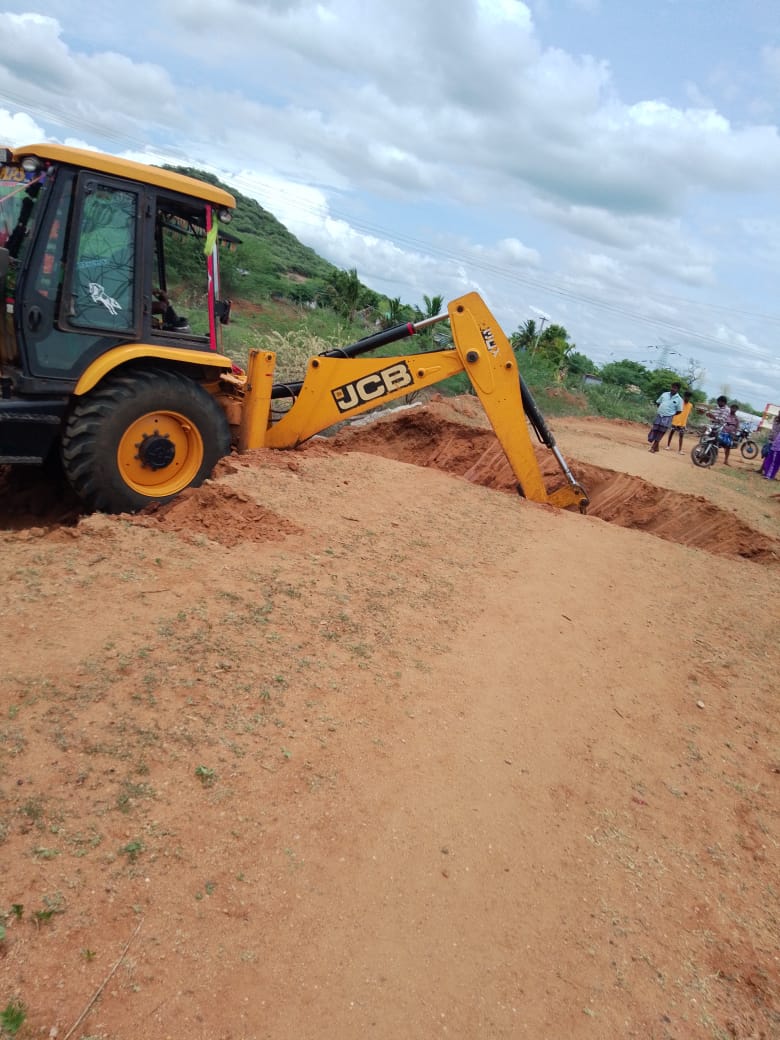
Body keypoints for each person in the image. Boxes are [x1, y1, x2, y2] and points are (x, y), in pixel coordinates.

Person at [648, 381, 684, 453]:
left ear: (678, 389)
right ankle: (656, 447)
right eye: (672, 387)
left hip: (668, 417)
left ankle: (653, 447)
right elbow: (658, 403)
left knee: (661, 431)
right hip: (660, 414)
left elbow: (679, 411)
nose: (672, 389)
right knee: (655, 429)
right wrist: (661, 409)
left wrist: (670, 414)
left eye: (675, 388)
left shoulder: (679, 399)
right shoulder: (664, 394)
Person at [706, 397, 739, 466]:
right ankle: (711, 458)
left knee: (727, 447)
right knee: (715, 444)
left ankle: (725, 460)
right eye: (733, 408)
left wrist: (734, 434)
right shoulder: (727, 414)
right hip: (721, 431)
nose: (733, 409)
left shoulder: (736, 418)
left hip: (729, 434)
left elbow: (736, 427)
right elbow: (717, 419)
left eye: (735, 408)